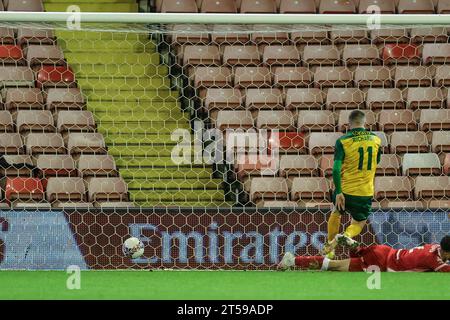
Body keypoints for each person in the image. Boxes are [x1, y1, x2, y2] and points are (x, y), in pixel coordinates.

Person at [323, 110, 382, 259]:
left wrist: (339, 191)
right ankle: (347, 234)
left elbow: (335, 169)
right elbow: (377, 161)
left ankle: (330, 250)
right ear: (364, 122)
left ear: (349, 124)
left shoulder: (343, 141)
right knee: (360, 222)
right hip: (365, 192)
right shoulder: (376, 140)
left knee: (336, 212)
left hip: (346, 189)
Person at [279, 235, 450, 272]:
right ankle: (345, 240)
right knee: (336, 265)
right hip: (381, 262)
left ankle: (292, 260)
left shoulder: (434, 247)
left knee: (333, 266)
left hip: (384, 252)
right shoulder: (433, 260)